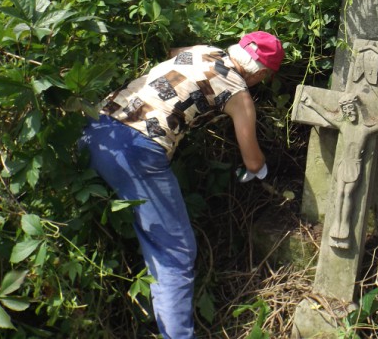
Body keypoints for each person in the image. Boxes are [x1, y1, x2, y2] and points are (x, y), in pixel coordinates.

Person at [78, 31, 285, 339]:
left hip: (97, 128)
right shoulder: (239, 93)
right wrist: (264, 170)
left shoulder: (205, 51)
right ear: (263, 73)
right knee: (175, 251)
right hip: (138, 151)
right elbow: (253, 162)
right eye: (265, 78)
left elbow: (174, 49)